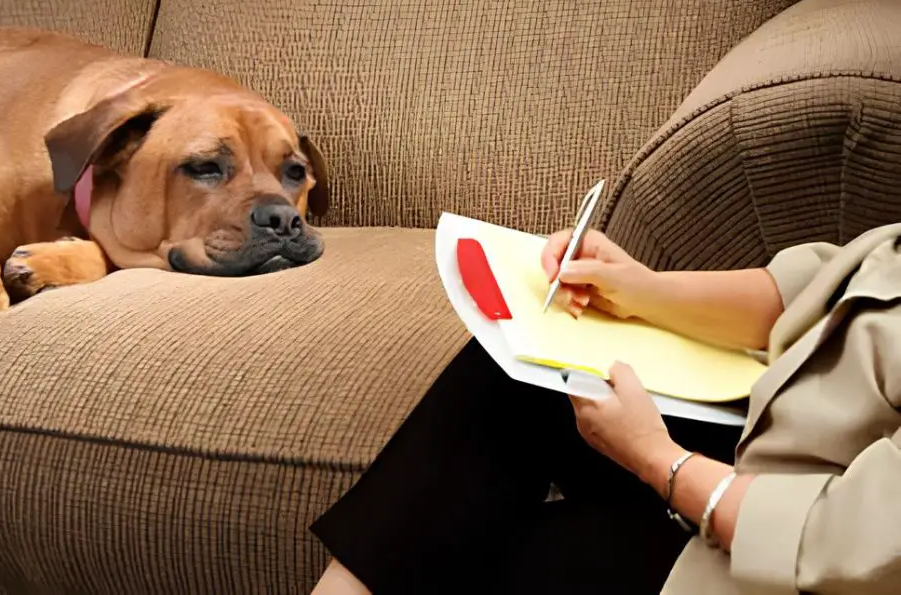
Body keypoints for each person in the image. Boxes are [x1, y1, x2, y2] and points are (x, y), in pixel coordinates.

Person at [308, 223, 901, 594]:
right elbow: (822, 292)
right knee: (526, 372)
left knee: (490, 559)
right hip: (769, 441)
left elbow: (845, 543)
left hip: (798, 555)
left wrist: (657, 459)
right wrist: (641, 290)